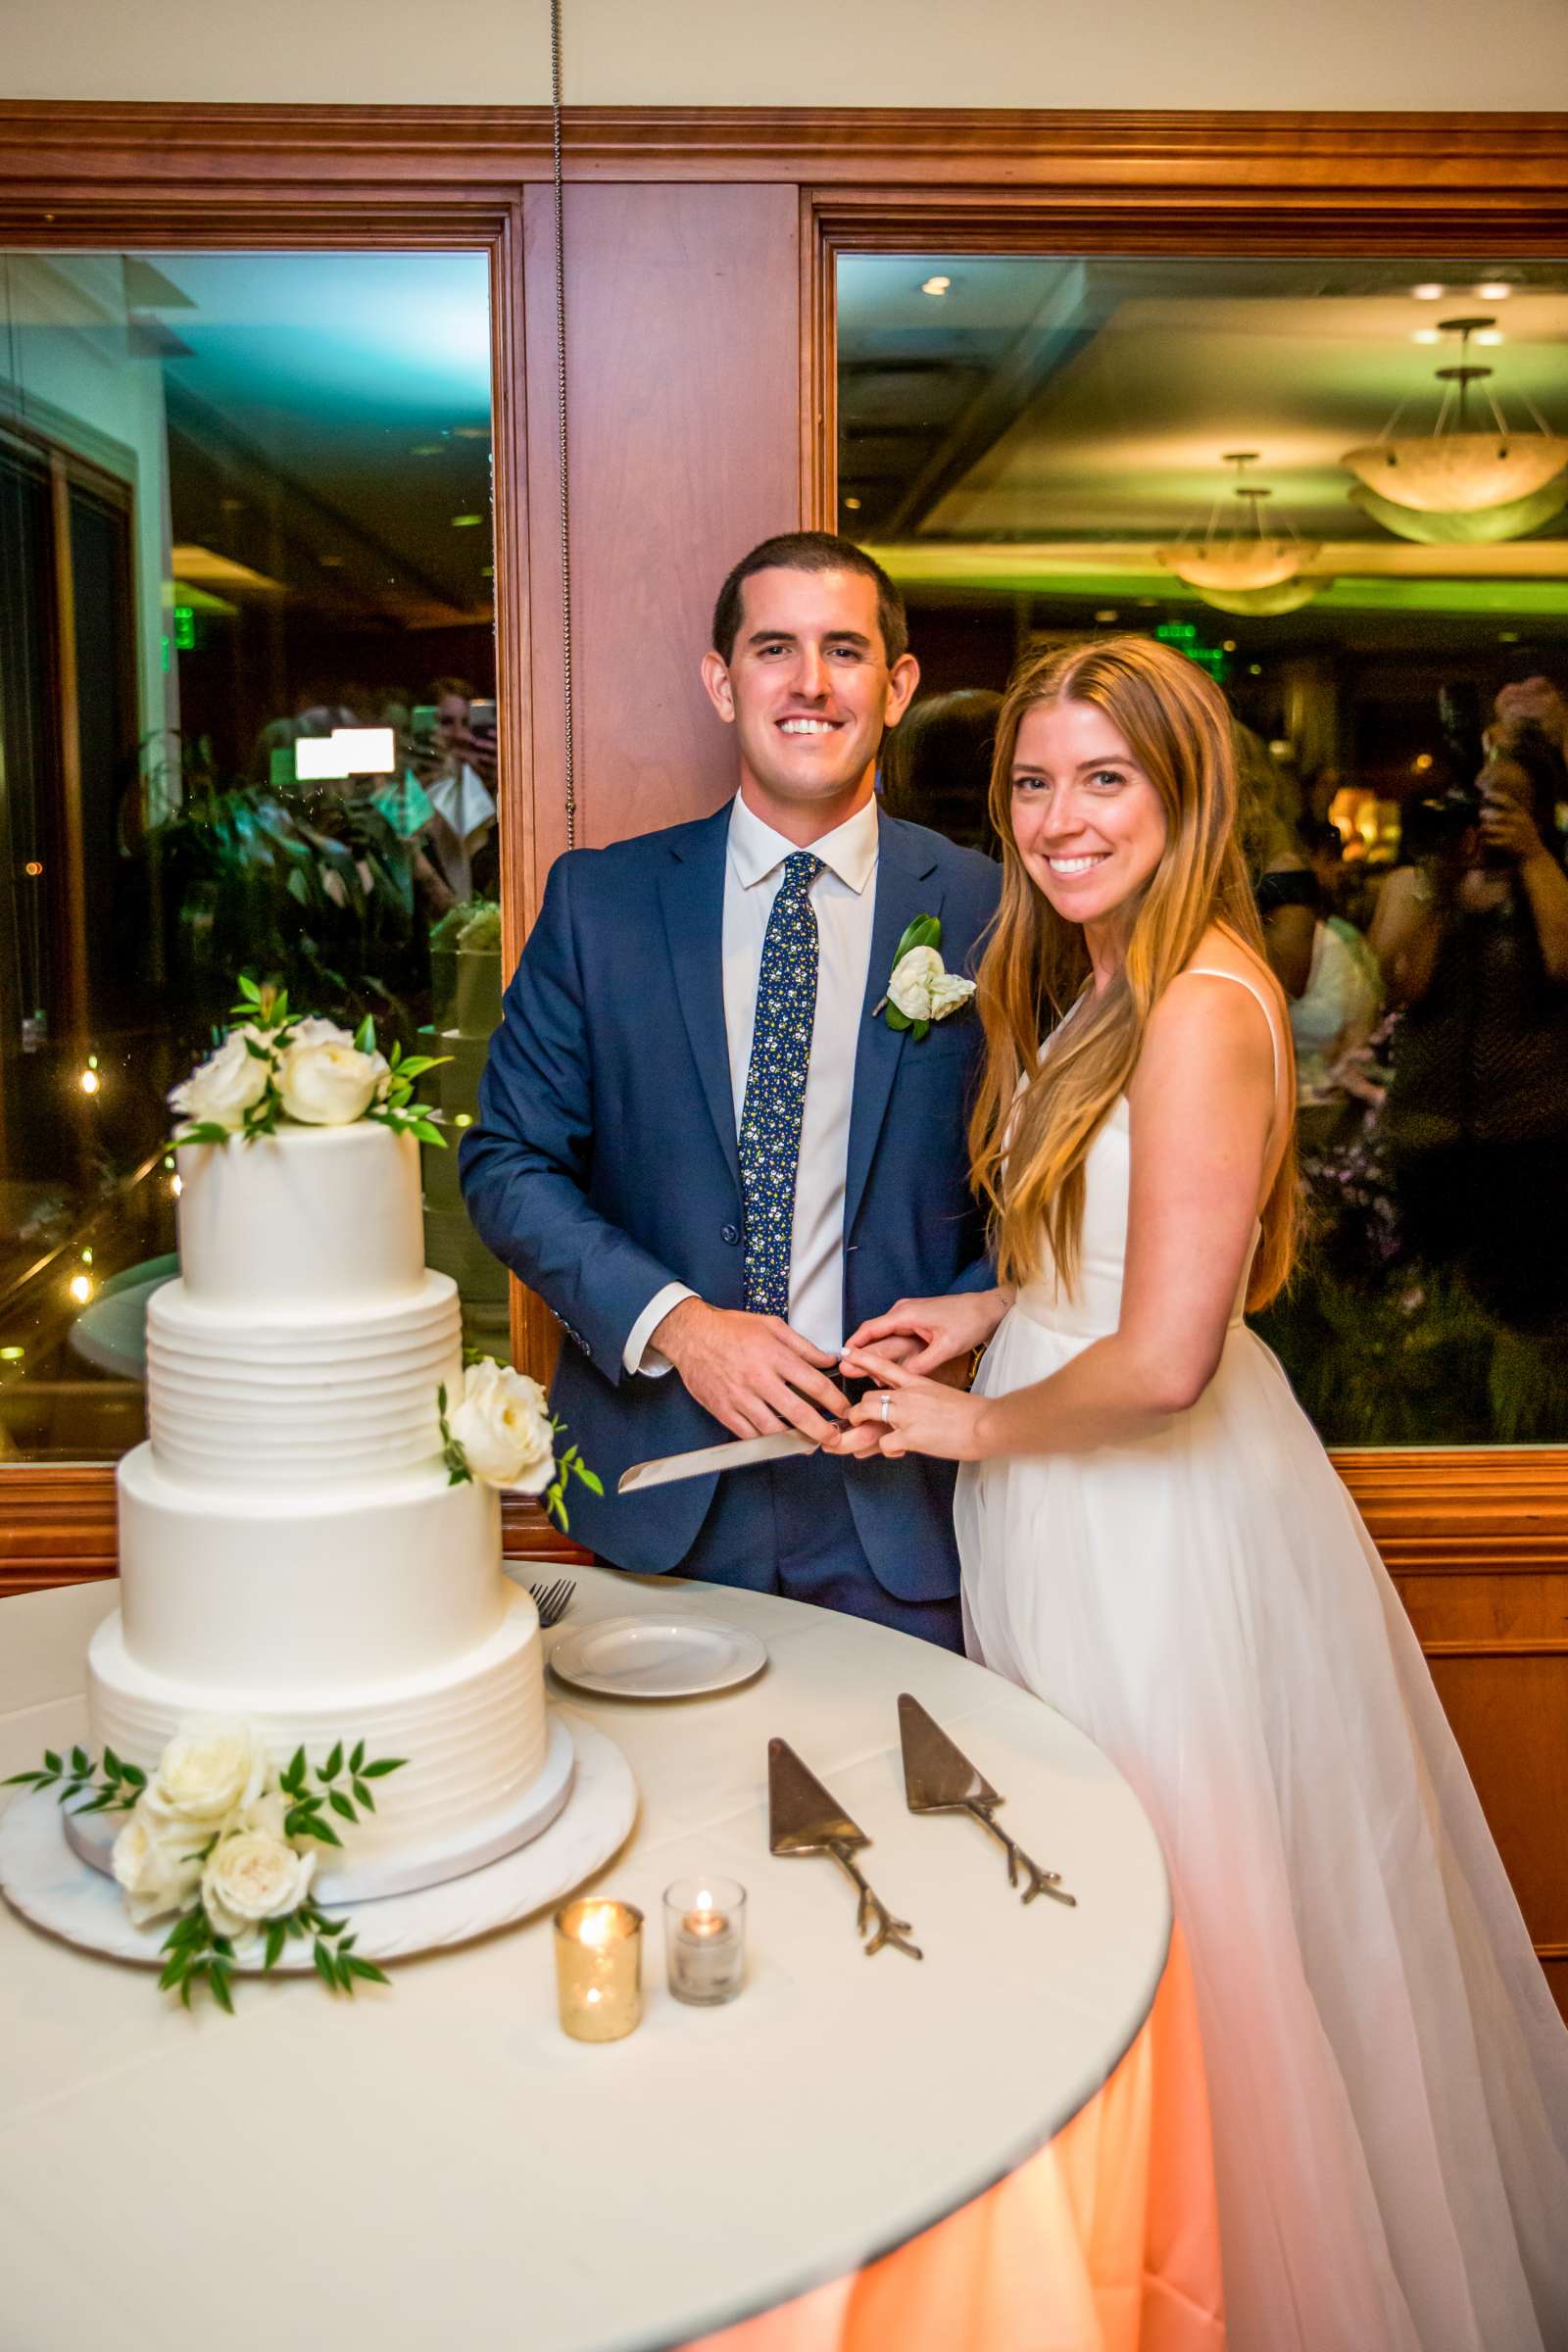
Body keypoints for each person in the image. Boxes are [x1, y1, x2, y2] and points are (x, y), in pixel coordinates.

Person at [834, 636, 1568, 2349]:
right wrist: (988, 1310)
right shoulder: (1093, 980)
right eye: (1034, 780)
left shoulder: (1204, 1005)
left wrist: (968, 1432)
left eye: (1107, 780)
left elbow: (1167, 1358)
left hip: (1148, 1516)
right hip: (1065, 1474)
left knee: (1185, 1910)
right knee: (1105, 1897)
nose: (1060, 817)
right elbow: (1116, 1255)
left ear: (1185, 797)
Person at [460, 532, 1000, 1645]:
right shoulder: (599, 906)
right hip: (657, 1489)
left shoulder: (995, 913)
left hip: (907, 1505)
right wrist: (684, 1328)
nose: (808, 682)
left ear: (895, 688)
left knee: (901, 1809)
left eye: (844, 651)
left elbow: (1056, 1187)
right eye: (774, 650)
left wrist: (970, 1315)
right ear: (723, 681)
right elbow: (506, 1164)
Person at [1372, 721, 1568, 1330]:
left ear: (1537, 809)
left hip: (1530, 1137)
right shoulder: (1419, 882)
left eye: (1505, 799)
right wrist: (1443, 887)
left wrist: (1533, 855)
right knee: (1428, 1315)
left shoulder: (1554, 880)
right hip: (1426, 1135)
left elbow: (1563, 966)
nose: (1486, 812)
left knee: (1524, 1315)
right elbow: (1404, 986)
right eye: (1479, 794)